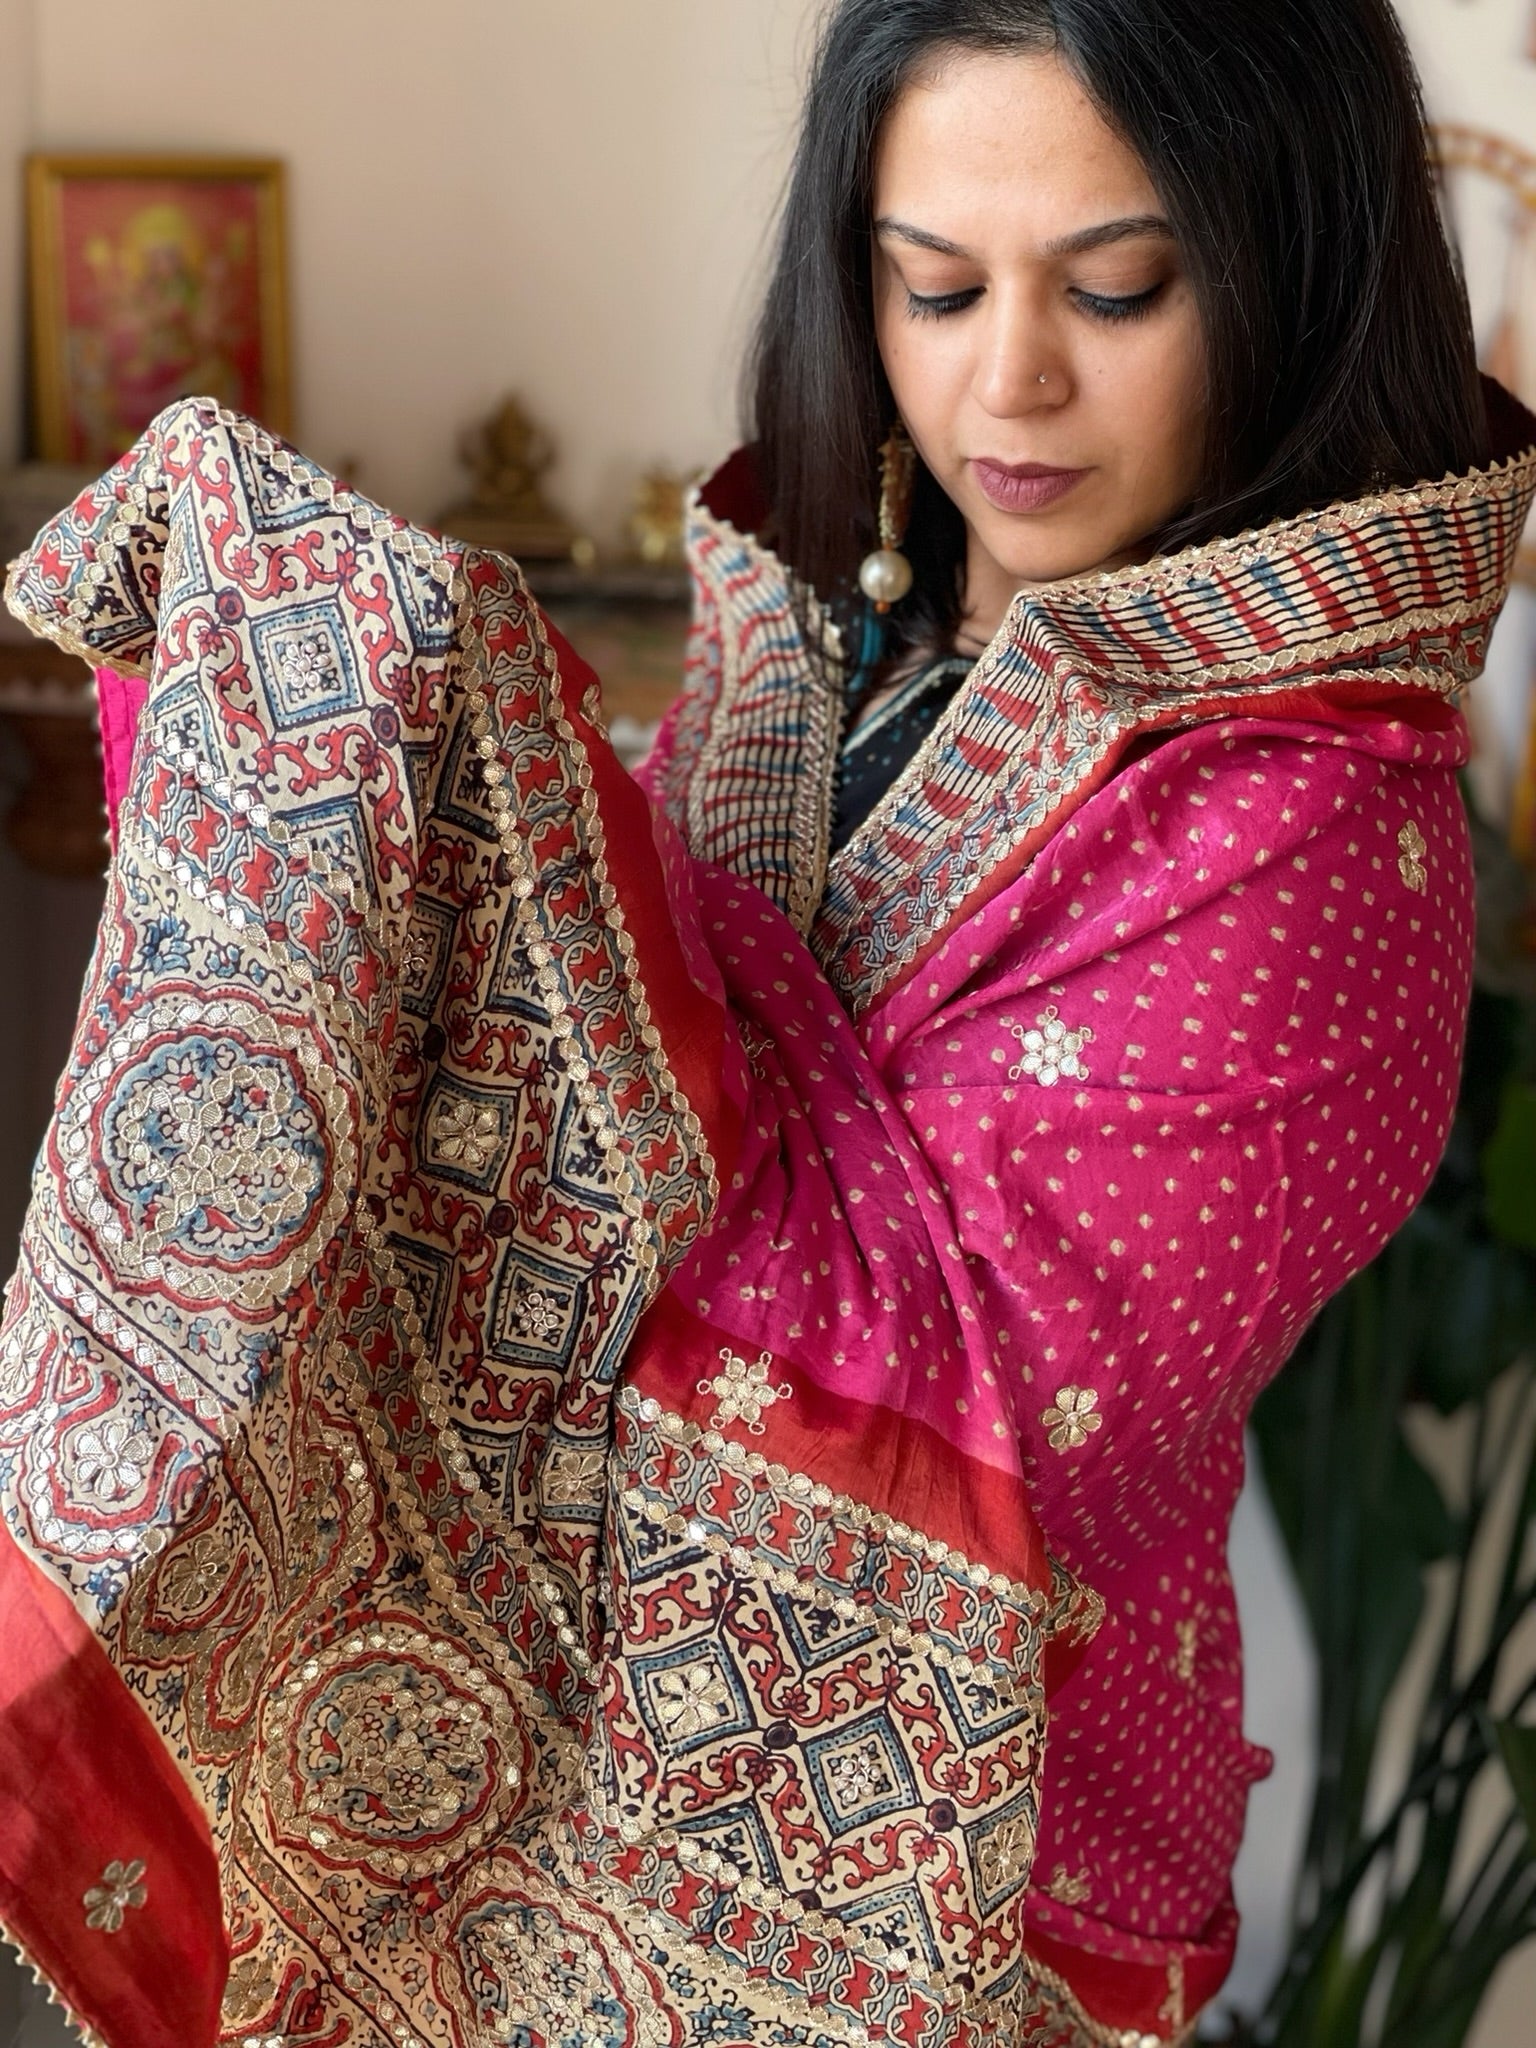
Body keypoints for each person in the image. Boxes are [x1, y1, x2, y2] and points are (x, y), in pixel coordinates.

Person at [0, 4, 1530, 2046]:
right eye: (933, 284)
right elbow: (645, 1056)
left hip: (992, 1887)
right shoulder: (816, 625)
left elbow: (972, 1397)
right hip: (543, 1763)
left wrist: (483, 764)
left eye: (1121, 285)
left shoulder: (1328, 827)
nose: (1012, 379)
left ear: (1299, 271)